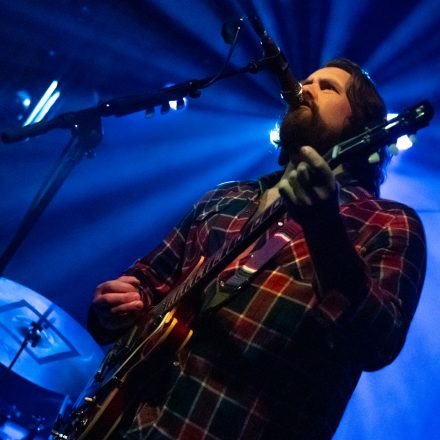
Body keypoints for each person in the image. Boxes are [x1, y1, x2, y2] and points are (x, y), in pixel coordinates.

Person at [87, 58, 427, 439]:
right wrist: (115, 304)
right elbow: (148, 279)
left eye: (327, 87)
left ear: (361, 127)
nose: (303, 86)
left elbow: (376, 344)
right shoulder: (225, 197)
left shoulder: (387, 223)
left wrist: (324, 229)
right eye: (306, 79)